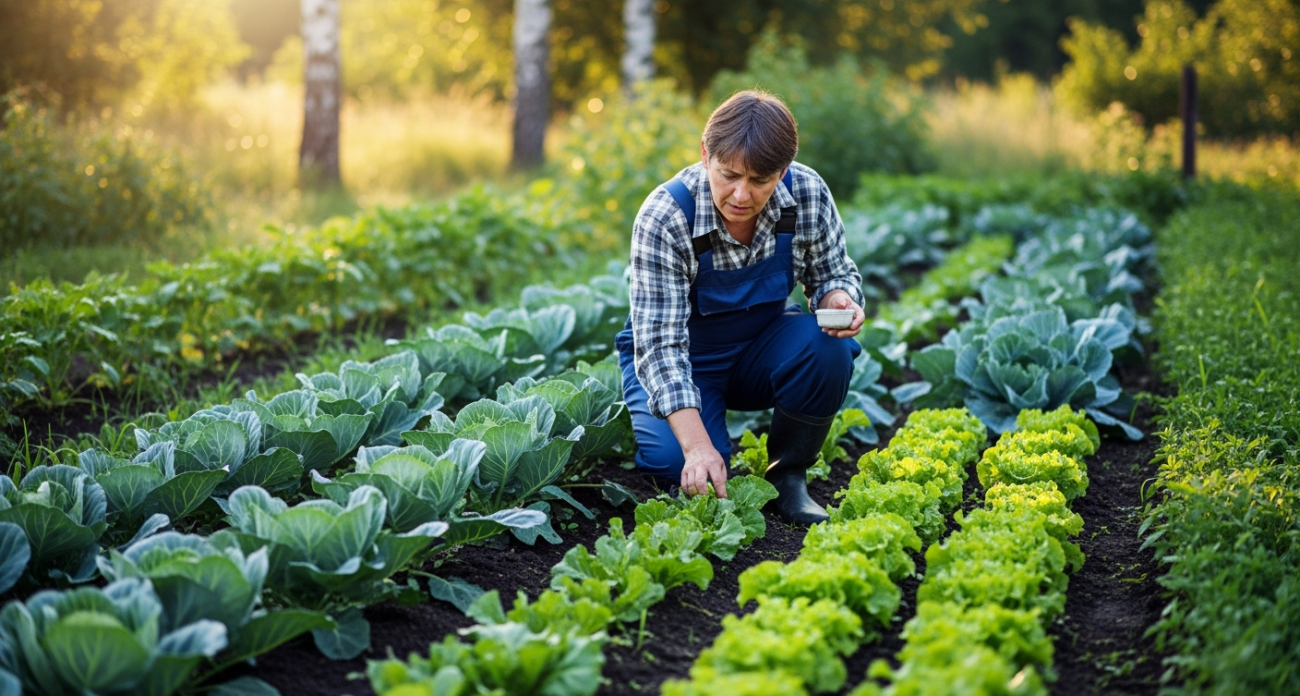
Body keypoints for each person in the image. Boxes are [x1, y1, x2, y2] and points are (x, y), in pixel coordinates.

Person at [615, 89, 866, 524]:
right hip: (685, 359)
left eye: (760, 181)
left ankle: (789, 478)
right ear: (705, 154)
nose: (741, 195)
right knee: (678, 467)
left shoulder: (806, 193)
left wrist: (836, 297)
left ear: (782, 170)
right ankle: (700, 436)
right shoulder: (667, 216)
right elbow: (659, 348)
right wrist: (697, 447)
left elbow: (833, 272)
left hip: (759, 349)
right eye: (728, 175)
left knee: (829, 349)